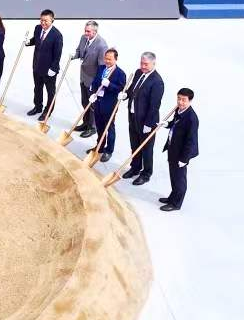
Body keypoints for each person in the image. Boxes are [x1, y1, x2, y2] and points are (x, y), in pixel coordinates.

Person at [121, 52, 164, 185]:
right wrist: (125, 95)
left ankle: (146, 174)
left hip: (146, 121)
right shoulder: (138, 73)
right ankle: (135, 167)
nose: (143, 66)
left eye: (146, 64)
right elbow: (132, 90)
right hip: (133, 116)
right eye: (141, 63)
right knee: (134, 144)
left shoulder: (157, 82)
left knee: (146, 148)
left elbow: (154, 105)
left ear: (153, 64)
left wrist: (149, 124)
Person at [160, 88, 200, 212]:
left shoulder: (192, 118)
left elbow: (191, 141)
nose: (180, 102)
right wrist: (168, 124)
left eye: (183, 100)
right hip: (173, 148)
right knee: (173, 175)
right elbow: (175, 123)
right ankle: (172, 197)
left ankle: (176, 204)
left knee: (179, 179)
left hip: (181, 153)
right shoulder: (179, 110)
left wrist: (184, 159)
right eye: (178, 99)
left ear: (190, 101)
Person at [86, 49, 127, 162]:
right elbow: (95, 81)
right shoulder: (101, 68)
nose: (107, 61)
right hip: (98, 102)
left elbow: (121, 89)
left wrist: (109, 85)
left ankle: (109, 151)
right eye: (106, 58)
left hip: (109, 105)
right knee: (99, 126)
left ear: (115, 59)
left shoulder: (120, 73)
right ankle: (99, 146)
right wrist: (93, 92)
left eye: (110, 59)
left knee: (109, 128)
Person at [25, 9, 63, 121]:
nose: (43, 23)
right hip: (37, 65)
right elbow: (36, 40)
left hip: (49, 69)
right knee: (37, 88)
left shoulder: (57, 35)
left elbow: (57, 54)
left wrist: (53, 68)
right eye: (41, 20)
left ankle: (48, 111)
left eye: (46, 20)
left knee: (50, 92)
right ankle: (37, 107)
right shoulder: (37, 28)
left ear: (52, 20)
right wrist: (29, 42)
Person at [73, 20, 108, 138]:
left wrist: (97, 83)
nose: (86, 33)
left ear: (95, 31)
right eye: (85, 30)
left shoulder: (102, 45)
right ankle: (86, 123)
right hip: (83, 77)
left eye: (88, 31)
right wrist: (74, 56)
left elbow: (102, 67)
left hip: (93, 80)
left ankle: (92, 127)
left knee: (92, 105)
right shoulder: (84, 38)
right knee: (84, 102)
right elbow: (79, 51)